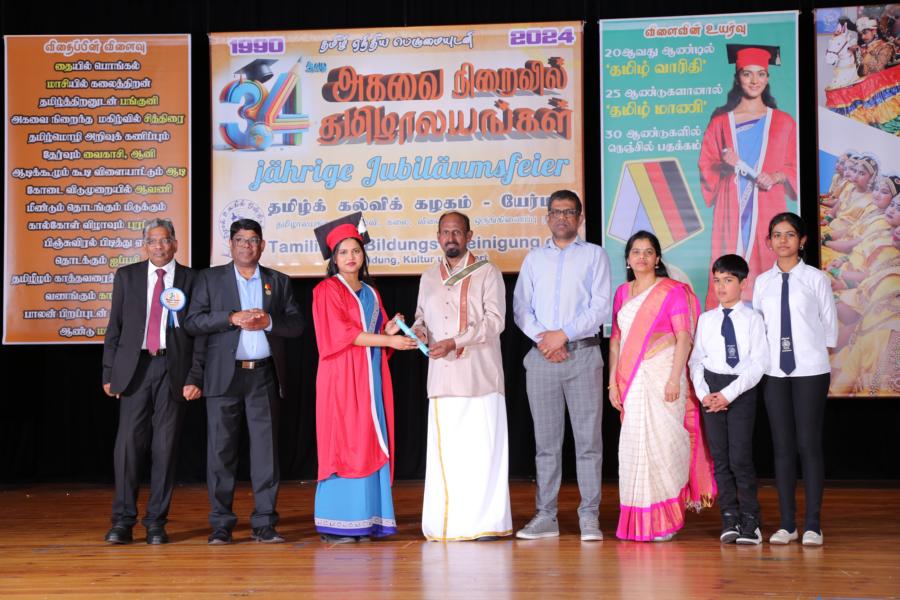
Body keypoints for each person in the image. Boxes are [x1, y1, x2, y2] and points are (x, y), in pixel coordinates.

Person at [184, 218, 304, 545]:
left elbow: (296, 325)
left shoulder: (278, 282)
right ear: (231, 244)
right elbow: (192, 322)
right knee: (220, 452)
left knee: (266, 453)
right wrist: (230, 318)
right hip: (223, 377)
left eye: (252, 240)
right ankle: (221, 524)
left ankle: (264, 523)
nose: (246, 246)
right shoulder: (210, 279)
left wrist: (269, 322)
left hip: (263, 375)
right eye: (240, 240)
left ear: (262, 245)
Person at [311, 214, 418, 543]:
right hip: (341, 379)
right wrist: (388, 340)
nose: (350, 257)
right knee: (345, 441)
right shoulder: (326, 290)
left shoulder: (371, 291)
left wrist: (389, 330)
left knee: (371, 439)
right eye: (343, 252)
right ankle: (337, 522)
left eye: (355, 250)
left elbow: (374, 331)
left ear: (363, 254)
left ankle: (369, 519)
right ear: (333, 258)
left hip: (369, 377)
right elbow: (342, 334)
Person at [513, 189, 611, 541]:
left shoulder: (595, 255)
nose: (562, 217)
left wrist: (563, 335)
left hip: (583, 355)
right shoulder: (534, 258)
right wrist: (546, 340)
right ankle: (546, 516)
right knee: (546, 444)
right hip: (542, 359)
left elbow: (601, 306)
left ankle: (589, 516)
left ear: (580, 217)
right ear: (548, 217)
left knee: (588, 443)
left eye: (569, 212)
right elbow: (521, 308)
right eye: (556, 211)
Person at [101, 218, 204, 544]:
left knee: (165, 447)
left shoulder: (192, 279)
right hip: (135, 370)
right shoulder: (127, 276)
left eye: (165, 240)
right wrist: (109, 373)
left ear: (175, 243)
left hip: (173, 371)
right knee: (128, 447)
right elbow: (115, 328)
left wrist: (195, 375)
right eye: (152, 241)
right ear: (144, 246)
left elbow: (199, 334)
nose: (159, 246)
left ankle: (156, 522)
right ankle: (122, 521)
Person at [608, 231, 716, 542]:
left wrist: (673, 378)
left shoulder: (672, 291)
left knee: (666, 445)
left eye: (648, 252)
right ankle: (639, 520)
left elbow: (684, 337)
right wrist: (612, 383)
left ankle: (667, 519)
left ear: (657, 258)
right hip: (631, 380)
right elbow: (616, 341)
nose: (641, 257)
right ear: (628, 259)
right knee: (634, 447)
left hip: (665, 376)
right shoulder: (622, 293)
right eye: (636, 251)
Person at [413, 211, 511, 541]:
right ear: (438, 237)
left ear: (469, 236)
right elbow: (421, 319)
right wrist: (415, 331)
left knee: (482, 452)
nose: (451, 238)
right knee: (450, 455)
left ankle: (487, 524)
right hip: (443, 377)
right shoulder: (429, 277)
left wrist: (455, 341)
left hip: (480, 375)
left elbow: (495, 321)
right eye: (445, 232)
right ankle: (449, 524)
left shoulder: (487, 272)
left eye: (457, 232)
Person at [753, 213, 837, 546]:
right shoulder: (762, 282)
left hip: (810, 371)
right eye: (777, 235)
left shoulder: (816, 279)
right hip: (775, 373)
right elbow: (758, 329)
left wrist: (814, 355)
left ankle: (813, 524)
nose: (783, 240)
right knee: (783, 447)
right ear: (769, 241)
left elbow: (829, 326)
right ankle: (787, 524)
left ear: (802, 241)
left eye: (790, 234)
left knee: (808, 444)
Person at [698, 44, 798, 308]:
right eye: (747, 74)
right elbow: (706, 163)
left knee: (768, 262)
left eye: (761, 74)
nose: (754, 81)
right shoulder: (721, 122)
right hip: (732, 205)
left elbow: (794, 165)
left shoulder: (784, 122)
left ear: (767, 77)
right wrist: (725, 164)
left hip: (768, 204)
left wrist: (776, 176)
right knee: (730, 263)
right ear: (737, 78)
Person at [688, 254, 768, 545]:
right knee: (720, 459)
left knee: (740, 458)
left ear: (743, 284)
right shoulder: (706, 319)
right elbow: (696, 360)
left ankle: (751, 520)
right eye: (717, 280)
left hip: (740, 390)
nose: (721, 287)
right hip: (711, 391)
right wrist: (704, 394)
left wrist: (729, 394)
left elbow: (758, 363)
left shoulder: (753, 319)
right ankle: (729, 517)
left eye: (728, 280)